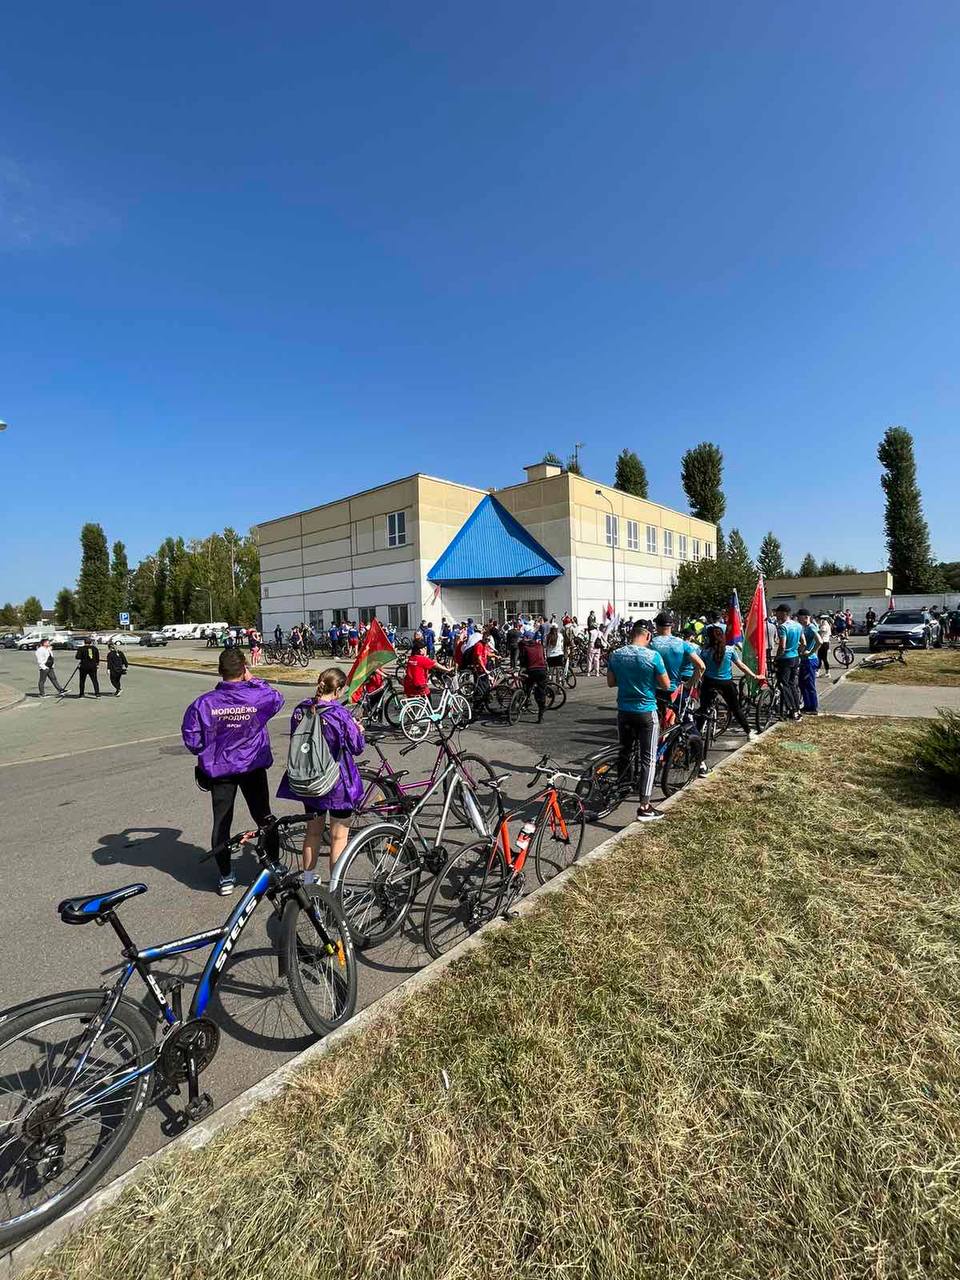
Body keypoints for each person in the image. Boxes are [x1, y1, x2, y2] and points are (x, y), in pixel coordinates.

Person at [180, 647, 285, 895]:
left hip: (220, 770)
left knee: (222, 822)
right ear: (244, 668)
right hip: (252, 767)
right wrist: (254, 680)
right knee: (264, 817)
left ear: (220, 671)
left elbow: (193, 741)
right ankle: (274, 865)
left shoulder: (204, 704)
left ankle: (226, 876)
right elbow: (277, 698)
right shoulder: (257, 697)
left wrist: (212, 748)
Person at [277, 667, 365, 884]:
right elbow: (356, 747)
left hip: (310, 780)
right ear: (338, 690)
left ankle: (308, 879)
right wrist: (359, 730)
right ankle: (336, 886)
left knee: (313, 832)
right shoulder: (339, 714)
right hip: (336, 782)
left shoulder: (301, 710)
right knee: (338, 837)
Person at [606, 620, 671, 822]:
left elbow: (611, 682)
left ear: (631, 634)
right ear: (648, 636)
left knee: (624, 751)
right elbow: (666, 684)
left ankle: (622, 786)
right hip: (645, 711)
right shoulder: (653, 656)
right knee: (648, 758)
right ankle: (644, 805)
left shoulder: (616, 654)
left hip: (623, 710)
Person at [697, 624, 759, 738]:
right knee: (735, 708)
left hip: (709, 682)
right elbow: (741, 666)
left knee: (703, 709)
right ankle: (749, 732)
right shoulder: (730, 650)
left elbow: (700, 668)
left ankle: (696, 733)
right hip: (726, 683)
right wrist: (754, 676)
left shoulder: (705, 651)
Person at [774, 604, 803, 721]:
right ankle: (797, 708)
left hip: (785, 659)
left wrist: (777, 657)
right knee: (792, 684)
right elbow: (804, 642)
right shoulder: (798, 625)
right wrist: (798, 652)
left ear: (783, 613)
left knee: (783, 685)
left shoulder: (783, 627)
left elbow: (782, 645)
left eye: (778, 612)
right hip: (795, 657)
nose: (776, 615)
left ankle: (792, 710)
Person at [518, 626, 548, 723]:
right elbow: (543, 657)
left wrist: (522, 668)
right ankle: (541, 715)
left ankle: (526, 700)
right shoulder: (540, 646)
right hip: (542, 670)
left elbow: (523, 661)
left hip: (532, 670)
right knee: (541, 691)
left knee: (527, 685)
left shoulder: (525, 648)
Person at [796, 608, 820, 714]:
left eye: (799, 617)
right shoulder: (804, 627)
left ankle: (813, 707)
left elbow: (820, 641)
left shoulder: (811, 627)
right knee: (802, 684)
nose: (797, 619)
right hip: (804, 659)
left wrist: (810, 652)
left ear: (806, 617)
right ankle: (807, 705)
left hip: (810, 660)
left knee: (809, 684)